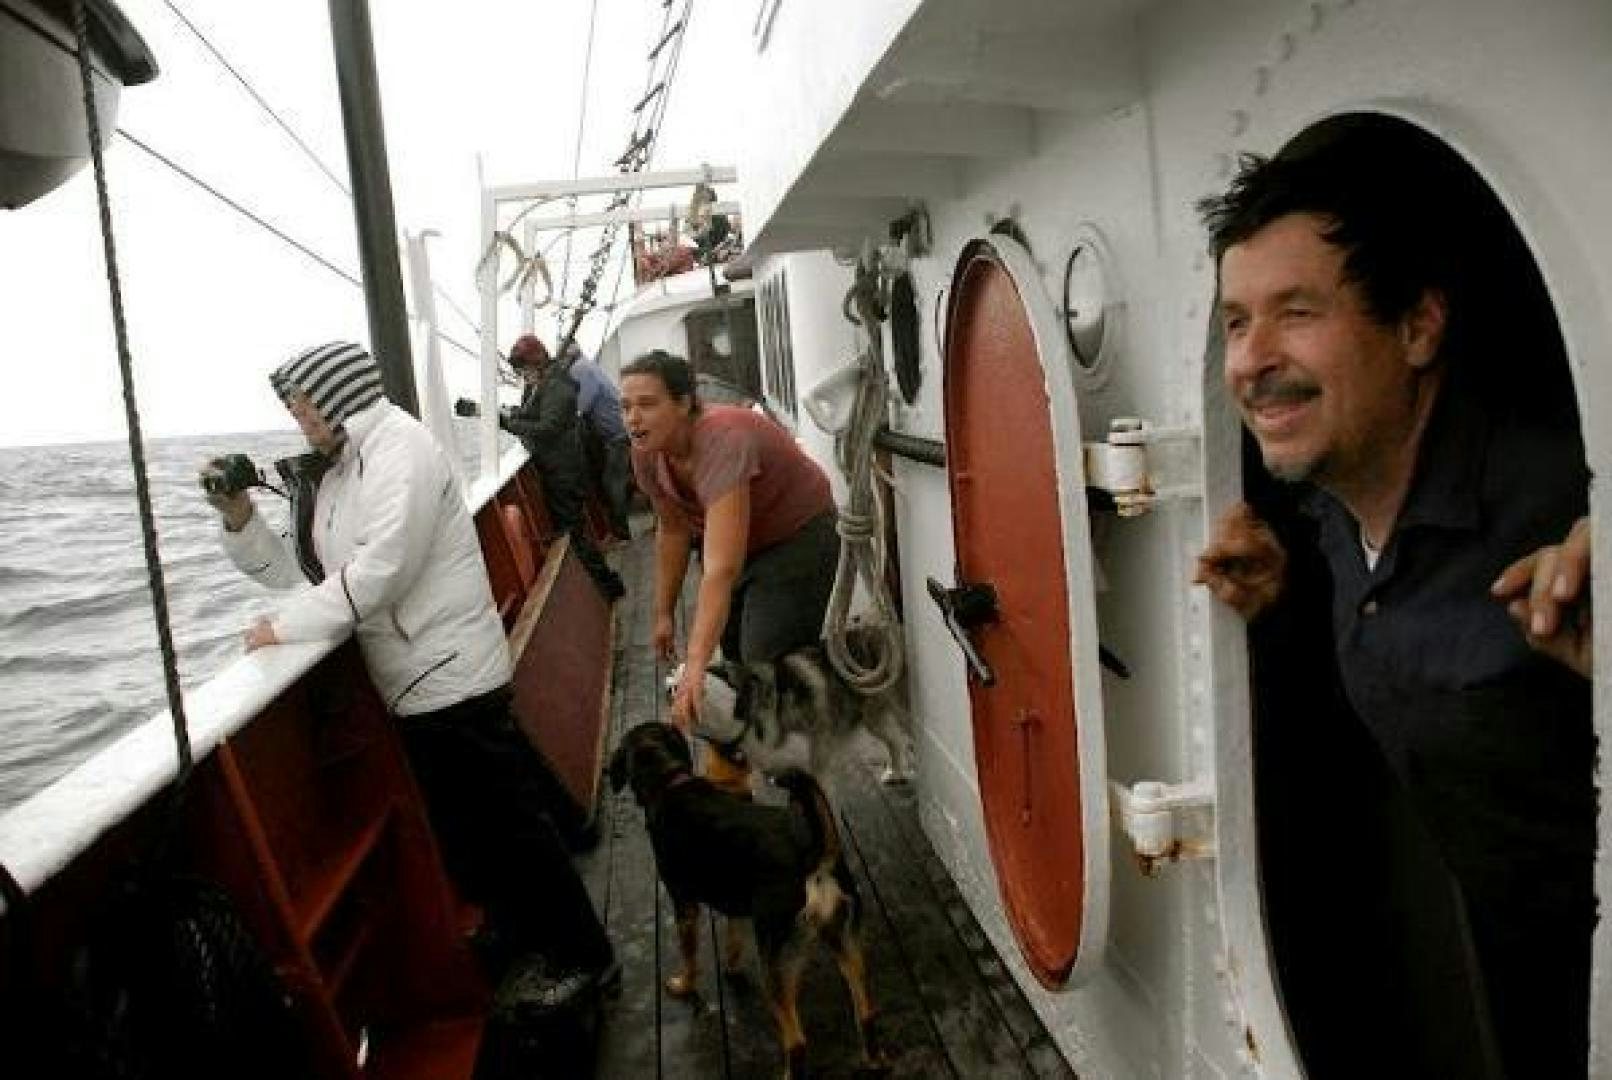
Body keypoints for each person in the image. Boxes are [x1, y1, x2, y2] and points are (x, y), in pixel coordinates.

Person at [1193, 128, 1593, 1078]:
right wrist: (1289, 606)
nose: (1253, 360)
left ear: (1418, 327)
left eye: (1297, 312)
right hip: (1514, 961)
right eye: (1237, 322)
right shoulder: (1332, 514)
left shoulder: (1554, 507)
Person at [201, 340, 615, 993]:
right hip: (411, 685)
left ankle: (588, 959)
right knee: (472, 835)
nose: (299, 420)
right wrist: (240, 519)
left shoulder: (402, 449)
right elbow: (300, 574)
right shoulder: (339, 472)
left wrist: (281, 630)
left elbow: (381, 571)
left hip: (452, 675)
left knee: (514, 832)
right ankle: (520, 936)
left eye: (305, 406)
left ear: (339, 397)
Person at [620, 350, 840, 736]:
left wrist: (694, 666)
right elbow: (672, 530)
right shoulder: (646, 454)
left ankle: (806, 750)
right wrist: (664, 614)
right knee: (735, 654)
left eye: (647, 404)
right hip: (740, 542)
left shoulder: (724, 441)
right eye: (625, 407)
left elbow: (721, 569)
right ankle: (755, 750)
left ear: (684, 402)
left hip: (797, 536)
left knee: (765, 658)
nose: (633, 418)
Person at [499, 334, 625, 601]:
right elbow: (535, 414)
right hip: (561, 469)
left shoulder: (556, 386)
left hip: (565, 472)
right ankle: (605, 583)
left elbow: (548, 428)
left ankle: (608, 585)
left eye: (524, 370)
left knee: (574, 533)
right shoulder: (548, 384)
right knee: (574, 532)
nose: (523, 376)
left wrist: (509, 424)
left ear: (536, 364)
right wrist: (507, 415)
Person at [561, 340, 633, 541]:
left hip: (617, 434)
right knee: (618, 477)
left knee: (612, 482)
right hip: (620, 430)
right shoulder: (587, 364)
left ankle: (621, 532)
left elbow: (581, 405)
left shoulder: (579, 368)